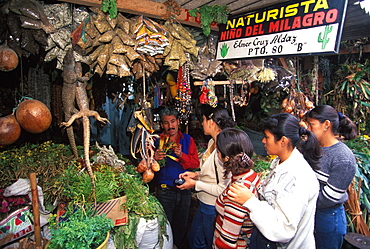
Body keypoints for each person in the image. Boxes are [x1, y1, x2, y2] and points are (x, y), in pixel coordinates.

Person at [227, 113, 321, 249]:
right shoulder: (280, 162)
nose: (263, 141)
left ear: (283, 141)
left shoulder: (298, 177)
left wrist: (250, 201)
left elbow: (283, 229)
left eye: (267, 137)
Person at [177, 105, 235, 249]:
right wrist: (197, 174)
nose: (202, 123)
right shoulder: (211, 143)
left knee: (208, 243)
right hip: (204, 203)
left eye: (203, 119)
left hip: (214, 206)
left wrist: (195, 184)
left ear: (211, 121)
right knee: (195, 239)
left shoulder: (224, 148)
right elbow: (212, 174)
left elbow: (224, 188)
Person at [306, 105, 357, 249]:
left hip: (327, 219)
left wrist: (302, 201)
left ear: (326, 125)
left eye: (312, 125)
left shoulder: (343, 158)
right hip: (310, 213)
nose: (308, 129)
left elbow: (329, 198)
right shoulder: (312, 147)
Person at [153, 106, 199, 248]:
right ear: (161, 125)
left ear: (178, 122)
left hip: (184, 190)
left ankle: (177, 245)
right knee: (165, 225)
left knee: (181, 225)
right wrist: (153, 158)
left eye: (173, 121)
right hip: (165, 191)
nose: (170, 125)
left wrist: (181, 155)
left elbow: (195, 163)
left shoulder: (187, 140)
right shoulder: (156, 141)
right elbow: (146, 167)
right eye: (166, 122)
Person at [212, 128, 261, 249]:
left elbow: (227, 243)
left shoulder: (236, 193)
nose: (217, 154)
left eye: (218, 151)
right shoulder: (251, 175)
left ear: (226, 158)